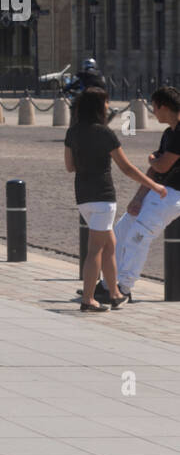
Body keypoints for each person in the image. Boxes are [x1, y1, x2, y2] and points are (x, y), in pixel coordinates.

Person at [64, 87, 164, 312]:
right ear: (100, 106)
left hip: (83, 196)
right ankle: (88, 299)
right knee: (96, 249)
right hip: (102, 196)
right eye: (106, 102)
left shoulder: (72, 132)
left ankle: (115, 293)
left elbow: (70, 167)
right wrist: (154, 185)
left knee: (110, 245)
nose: (108, 106)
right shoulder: (104, 133)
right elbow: (127, 168)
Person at [95, 86, 180, 305]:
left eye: (154, 107)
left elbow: (160, 165)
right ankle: (108, 284)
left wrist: (152, 159)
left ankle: (124, 287)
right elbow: (154, 170)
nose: (153, 112)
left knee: (138, 236)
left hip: (173, 196)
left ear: (163, 106)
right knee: (120, 233)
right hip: (157, 190)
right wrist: (138, 198)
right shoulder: (169, 133)